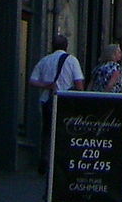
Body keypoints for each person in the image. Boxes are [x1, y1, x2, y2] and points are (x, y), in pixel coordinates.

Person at [29, 34, 84, 171]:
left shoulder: (45, 60)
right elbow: (78, 82)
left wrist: (47, 85)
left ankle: (45, 157)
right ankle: (60, 160)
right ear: (66, 46)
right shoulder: (72, 61)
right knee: (65, 131)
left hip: (47, 99)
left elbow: (32, 80)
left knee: (47, 130)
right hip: (66, 100)